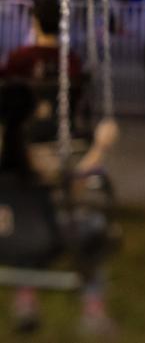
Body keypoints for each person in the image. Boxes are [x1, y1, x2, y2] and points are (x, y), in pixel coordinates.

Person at [2, 83, 119, 335]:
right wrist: (101, 146)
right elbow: (74, 186)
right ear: (33, 113)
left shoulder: (10, 155)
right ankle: (93, 311)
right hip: (44, 239)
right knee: (94, 225)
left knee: (23, 227)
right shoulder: (33, 163)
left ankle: (25, 304)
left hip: (4, 241)